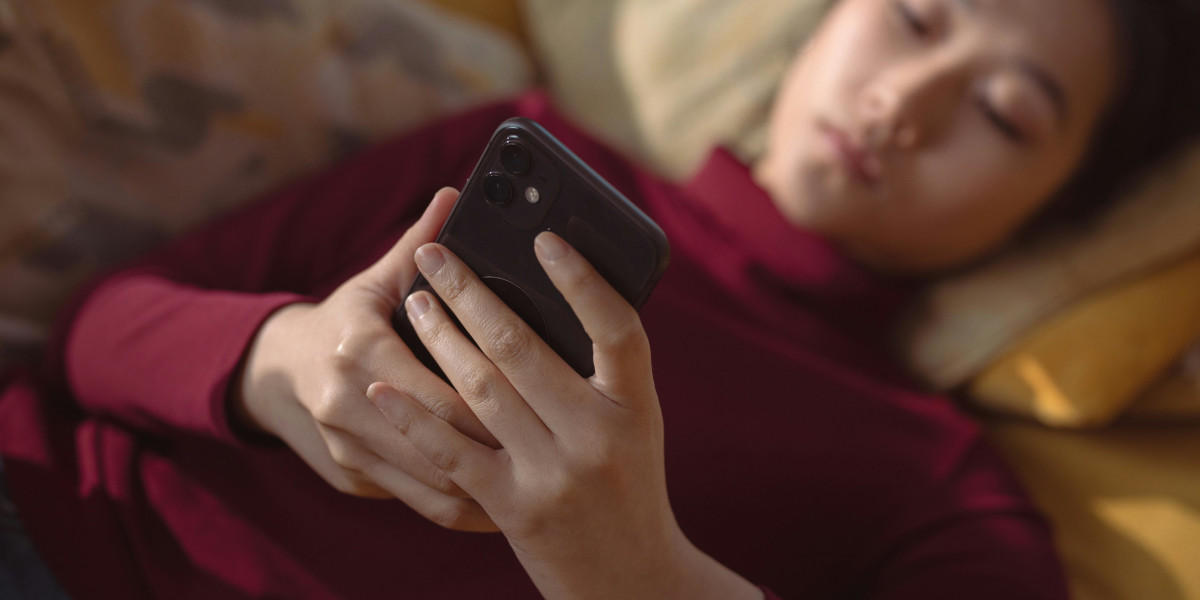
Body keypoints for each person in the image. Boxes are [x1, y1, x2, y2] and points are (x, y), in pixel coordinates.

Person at [1, 0, 1197, 598]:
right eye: (914, 16)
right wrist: (281, 363)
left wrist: (637, 571)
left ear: (1053, 209)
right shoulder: (518, 148)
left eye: (1005, 114)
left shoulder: (931, 479)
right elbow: (95, 328)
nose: (906, 106)